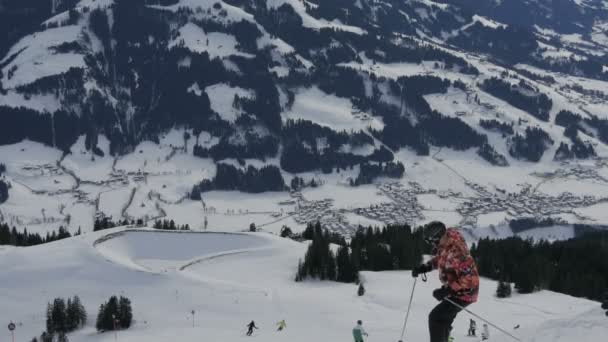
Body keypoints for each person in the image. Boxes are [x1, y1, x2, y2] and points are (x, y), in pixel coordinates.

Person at [412, 221, 480, 342]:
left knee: (436, 317)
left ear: (438, 237)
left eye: (432, 241)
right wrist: (425, 267)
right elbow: (440, 258)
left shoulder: (458, 250)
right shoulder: (446, 243)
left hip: (465, 292)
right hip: (456, 290)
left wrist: (447, 290)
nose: (432, 244)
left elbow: (469, 278)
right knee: (442, 319)